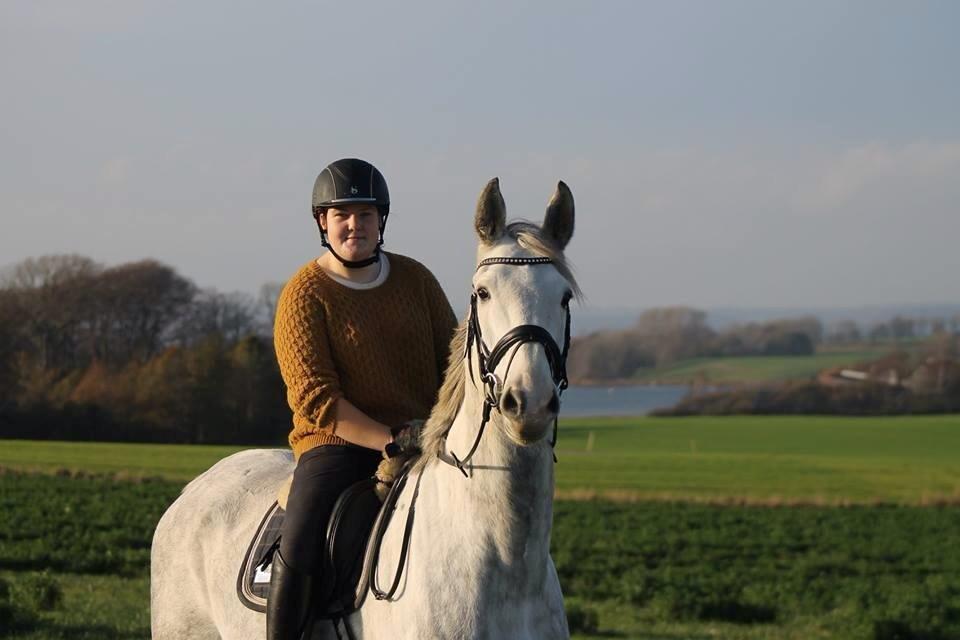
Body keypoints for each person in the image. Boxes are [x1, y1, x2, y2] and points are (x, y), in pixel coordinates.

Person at [268, 158, 457, 639]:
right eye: (342, 214)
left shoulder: (417, 280)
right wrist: (389, 439)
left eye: (366, 214)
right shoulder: (303, 294)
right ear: (322, 223)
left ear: (382, 220)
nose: (355, 225)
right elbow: (315, 398)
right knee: (305, 533)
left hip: (424, 437)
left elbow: (453, 366)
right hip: (337, 446)